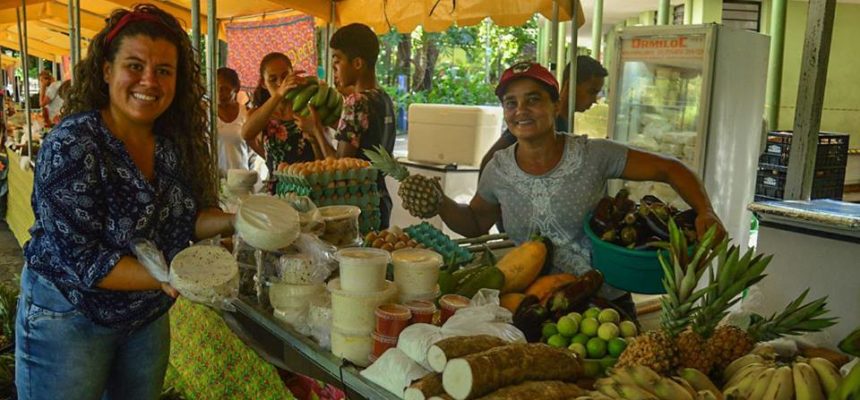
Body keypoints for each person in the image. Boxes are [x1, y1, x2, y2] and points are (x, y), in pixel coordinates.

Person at [16, 5, 234, 399]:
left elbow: (184, 220)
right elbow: (84, 259)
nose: (149, 81)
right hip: (70, 315)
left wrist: (241, 220)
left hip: (143, 318)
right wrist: (169, 279)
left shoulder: (170, 144)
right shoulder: (73, 144)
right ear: (106, 71)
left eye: (164, 71)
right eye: (134, 66)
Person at [437, 62, 725, 317]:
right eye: (511, 103)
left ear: (556, 105)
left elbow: (670, 168)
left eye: (533, 100)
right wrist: (440, 201)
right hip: (536, 308)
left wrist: (705, 211)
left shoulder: (593, 155)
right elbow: (475, 223)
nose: (520, 111)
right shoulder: (498, 169)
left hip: (605, 305)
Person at [301, 23, 396, 228]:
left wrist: (316, 129)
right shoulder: (384, 98)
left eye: (337, 61)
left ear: (358, 63)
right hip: (380, 200)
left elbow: (340, 167)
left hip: (356, 207)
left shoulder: (356, 101)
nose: (334, 69)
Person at [480, 55, 607, 174]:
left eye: (533, 100)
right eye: (591, 91)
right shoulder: (542, 123)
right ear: (570, 85)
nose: (594, 100)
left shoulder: (562, 124)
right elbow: (489, 160)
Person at [241, 52, 321, 176]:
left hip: (310, 188)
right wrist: (278, 95)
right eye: (273, 80)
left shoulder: (308, 110)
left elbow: (323, 158)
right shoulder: (259, 115)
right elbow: (246, 134)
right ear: (263, 84)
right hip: (276, 191)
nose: (280, 83)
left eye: (285, 77)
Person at [215, 67, 252, 176]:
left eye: (224, 89)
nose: (219, 93)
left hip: (241, 178)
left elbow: (254, 152)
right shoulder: (205, 113)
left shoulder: (246, 113)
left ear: (236, 88)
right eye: (216, 88)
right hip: (214, 178)